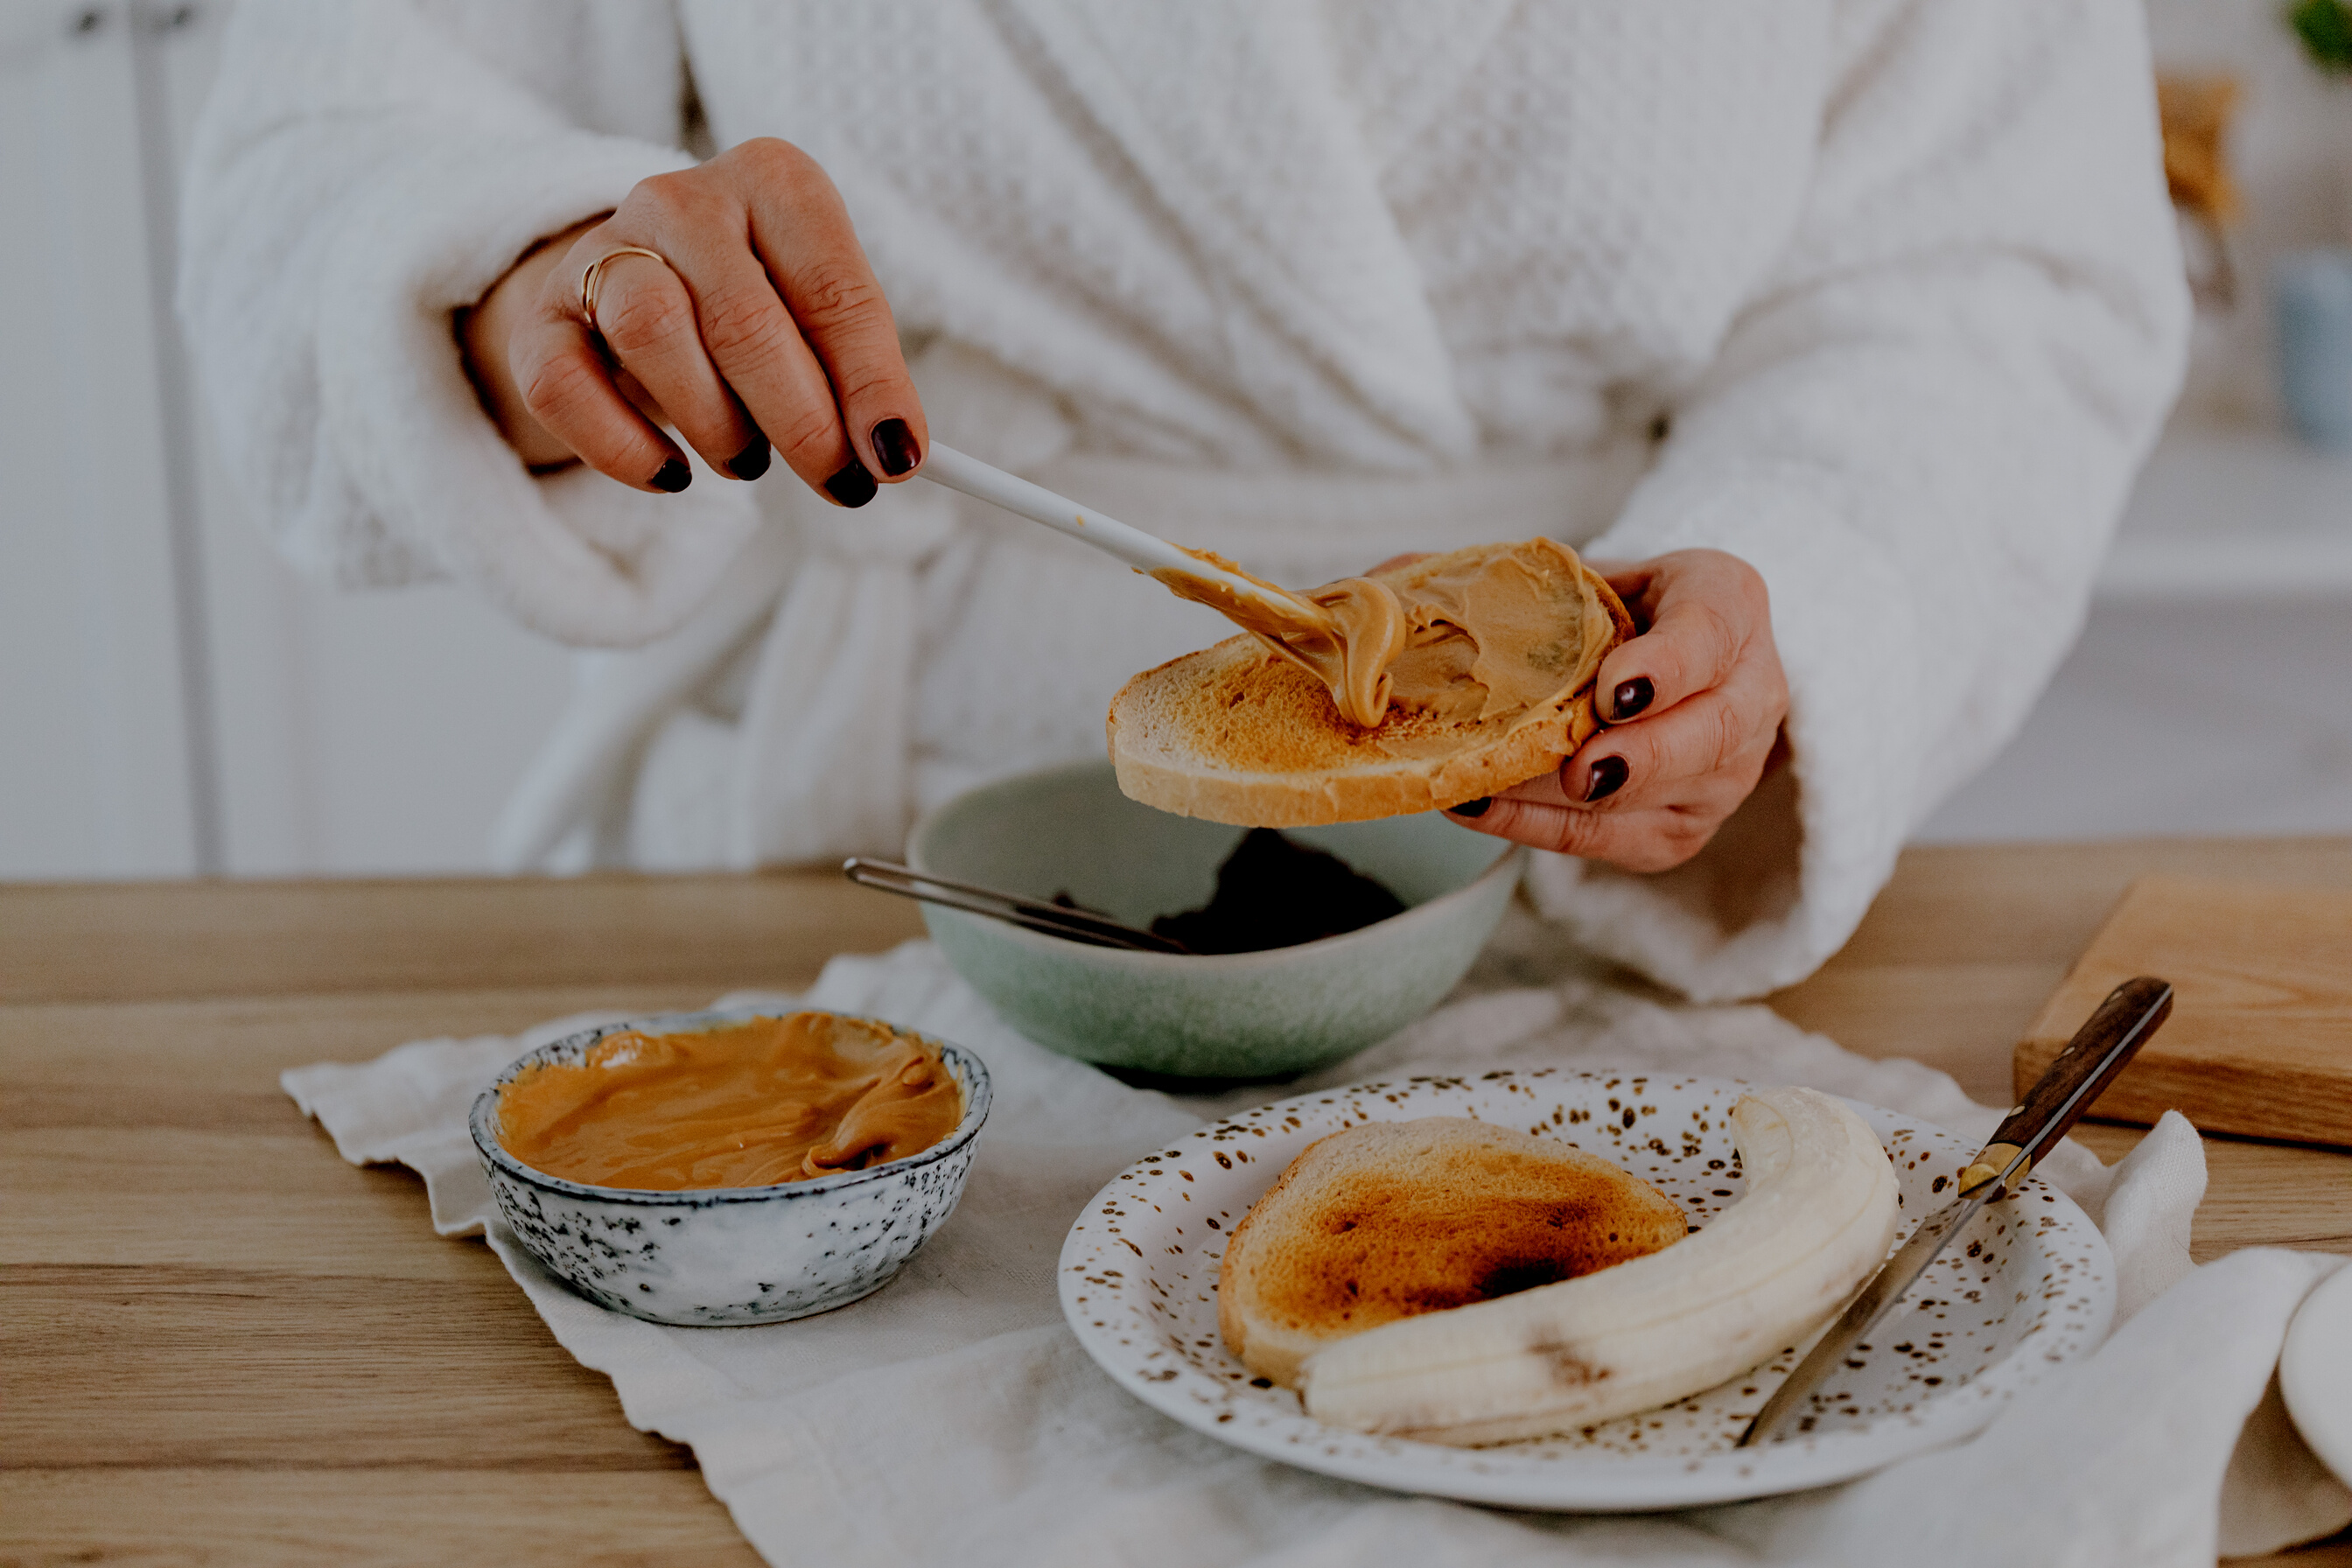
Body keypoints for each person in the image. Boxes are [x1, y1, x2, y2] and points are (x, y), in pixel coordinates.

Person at [179, 2, 2188, 1002]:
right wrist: (529, 277)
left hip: (1589, 887)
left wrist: (1794, 597)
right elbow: (329, 120)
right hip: (878, 863)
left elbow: (1989, 271)